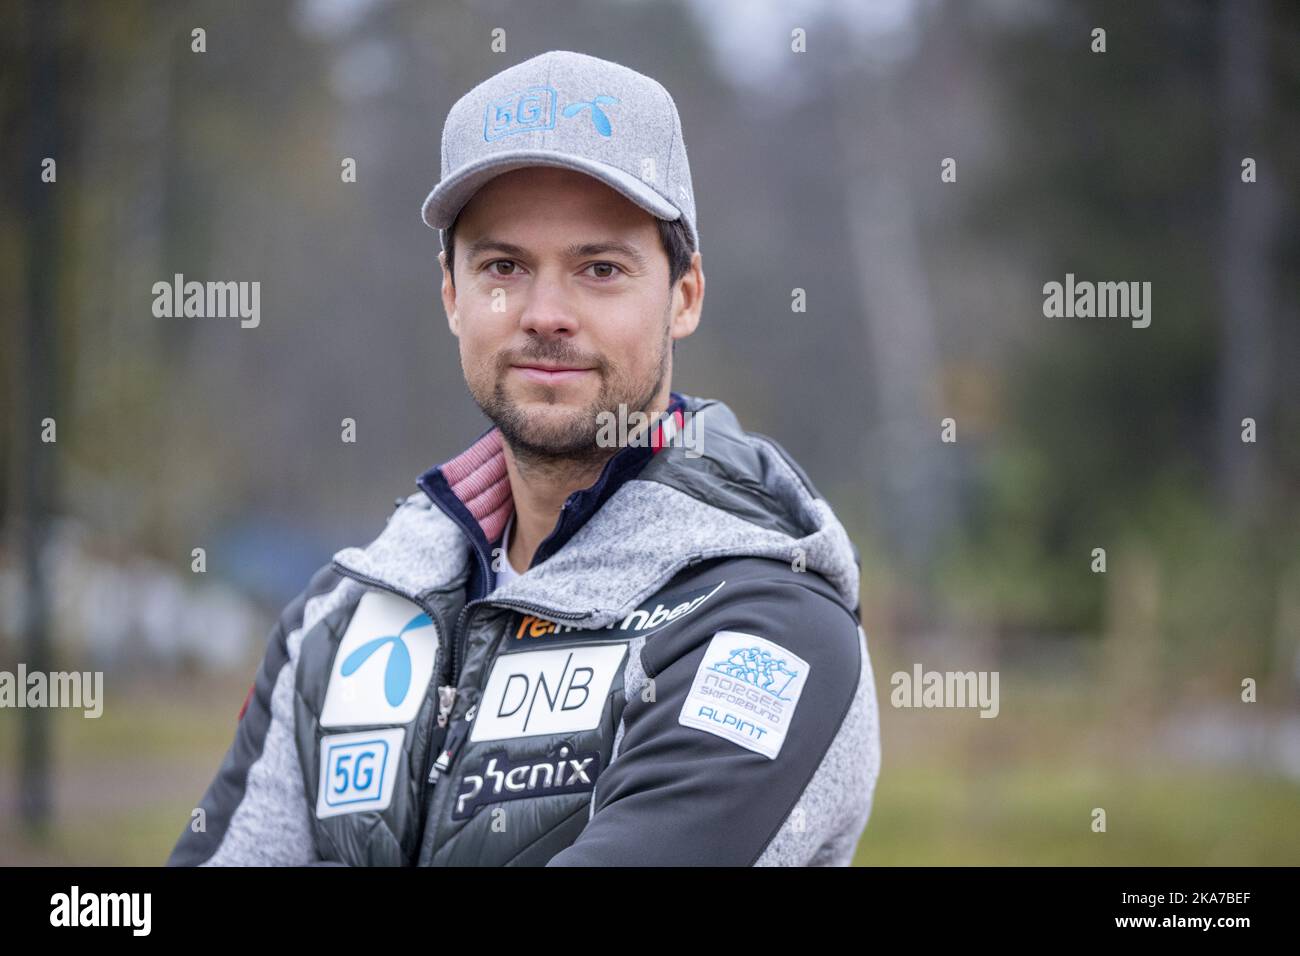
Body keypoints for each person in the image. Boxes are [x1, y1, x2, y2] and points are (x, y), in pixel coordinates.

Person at [167, 49, 880, 867]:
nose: (546, 314)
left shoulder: (767, 628)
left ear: (684, 298)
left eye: (600, 269)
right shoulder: (343, 618)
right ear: (452, 296)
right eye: (504, 267)